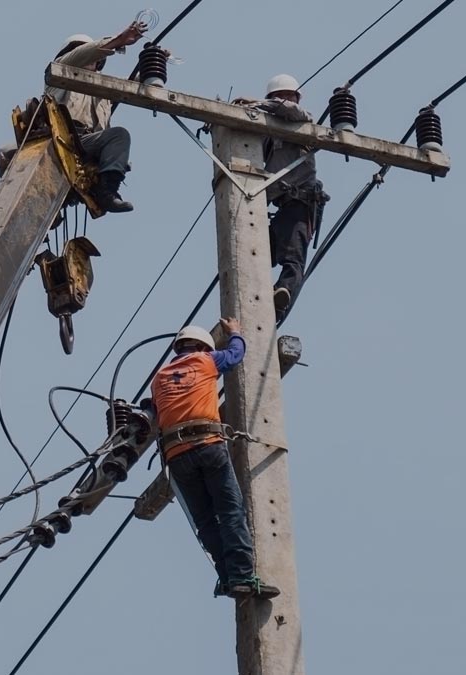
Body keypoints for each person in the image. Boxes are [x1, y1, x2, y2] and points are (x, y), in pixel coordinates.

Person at [149, 320, 280, 600]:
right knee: (231, 511)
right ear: (203, 347)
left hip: (176, 455)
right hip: (207, 445)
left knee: (206, 521)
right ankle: (242, 575)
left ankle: (228, 577)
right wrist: (235, 332)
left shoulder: (159, 378)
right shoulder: (205, 361)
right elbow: (235, 355)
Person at [0, 22, 149, 213]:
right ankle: (29, 202)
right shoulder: (60, 70)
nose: (87, 57)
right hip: (58, 138)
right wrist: (118, 40)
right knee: (5, 153)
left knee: (119, 136)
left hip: (86, 145)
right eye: (79, 51)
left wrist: (153, 63)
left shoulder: (104, 88)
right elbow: (86, 53)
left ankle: (107, 193)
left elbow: (133, 85)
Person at [234, 74, 329, 321]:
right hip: (280, 209)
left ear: (296, 98)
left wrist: (257, 103)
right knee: (253, 253)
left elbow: (290, 110)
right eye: (279, 96)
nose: (284, 99)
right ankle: (256, 300)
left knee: (293, 259)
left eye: (288, 96)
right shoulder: (268, 133)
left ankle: (281, 299)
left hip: (301, 205)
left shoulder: (302, 121)